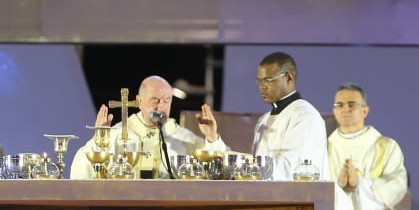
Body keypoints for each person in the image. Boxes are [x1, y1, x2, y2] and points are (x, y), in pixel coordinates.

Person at [198, 51, 327, 181]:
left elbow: (291, 170)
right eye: (259, 81)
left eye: (268, 80)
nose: (262, 87)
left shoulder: (305, 116)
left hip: (299, 199)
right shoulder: (264, 120)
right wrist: (213, 138)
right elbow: (255, 171)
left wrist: (247, 168)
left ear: (289, 78)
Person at [70, 75, 204, 178]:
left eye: (166, 101)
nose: (161, 107)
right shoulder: (118, 133)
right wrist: (97, 141)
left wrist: (212, 138)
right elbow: (80, 175)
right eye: (155, 100)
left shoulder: (184, 138)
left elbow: (217, 169)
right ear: (139, 101)